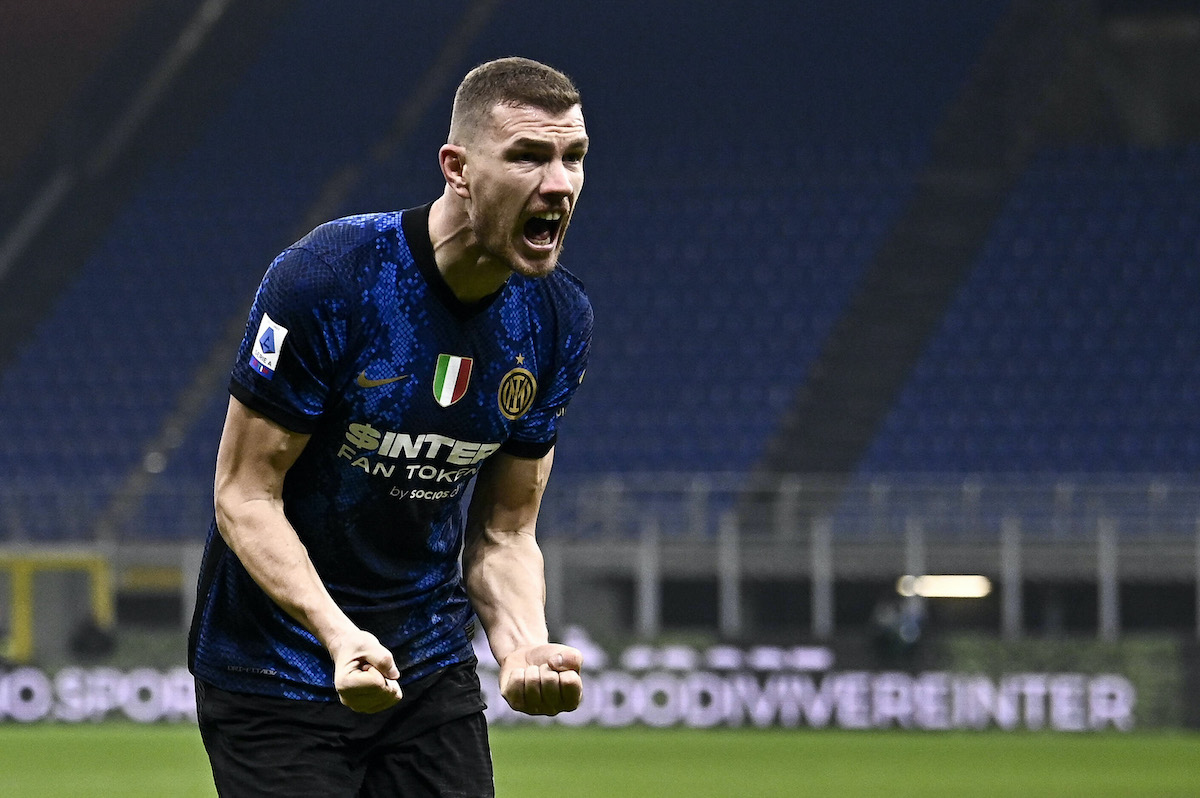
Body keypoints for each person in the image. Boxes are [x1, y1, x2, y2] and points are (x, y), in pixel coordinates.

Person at [188, 56, 593, 797]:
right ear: (457, 168)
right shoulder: (329, 279)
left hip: (427, 669)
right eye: (529, 156)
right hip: (274, 672)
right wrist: (339, 635)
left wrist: (521, 645)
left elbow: (505, 532)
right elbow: (244, 495)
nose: (560, 183)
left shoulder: (556, 318)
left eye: (573, 157)